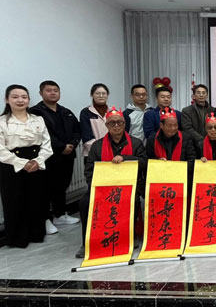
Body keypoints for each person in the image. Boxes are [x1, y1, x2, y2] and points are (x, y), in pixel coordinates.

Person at [77, 106, 147, 258]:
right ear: (106, 125)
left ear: (124, 124)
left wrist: (125, 158)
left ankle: (129, 236)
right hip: (103, 187)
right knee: (85, 202)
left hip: (129, 186)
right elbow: (89, 170)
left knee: (133, 200)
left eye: (120, 122)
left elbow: (144, 162)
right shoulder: (97, 146)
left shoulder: (135, 143)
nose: (116, 126)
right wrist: (97, 187)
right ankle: (86, 242)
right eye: (112, 123)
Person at [0, 85, 53, 248]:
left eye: (24, 97)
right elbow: (1, 149)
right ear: (7, 100)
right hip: (11, 165)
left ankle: (36, 234)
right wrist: (22, 163)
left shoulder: (38, 119)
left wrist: (38, 161)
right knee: (14, 201)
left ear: (29, 100)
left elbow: (46, 143)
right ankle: (18, 238)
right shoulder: (2, 122)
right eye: (15, 97)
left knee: (37, 200)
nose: (20, 100)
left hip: (36, 163)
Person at [30, 80, 81, 233]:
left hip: (67, 156)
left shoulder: (66, 112)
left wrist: (72, 144)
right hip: (48, 157)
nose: (52, 93)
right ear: (41, 93)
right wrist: (61, 147)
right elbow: (41, 134)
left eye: (55, 90)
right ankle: (45, 219)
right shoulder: (35, 112)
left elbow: (77, 130)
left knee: (62, 186)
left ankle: (60, 215)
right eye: (49, 90)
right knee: (45, 189)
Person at [79, 83, 109, 157]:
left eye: (104, 93)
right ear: (92, 95)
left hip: (111, 153)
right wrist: (99, 151)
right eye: (97, 93)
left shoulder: (113, 112)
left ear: (107, 95)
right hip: (92, 153)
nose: (101, 96)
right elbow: (86, 136)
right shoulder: (86, 112)